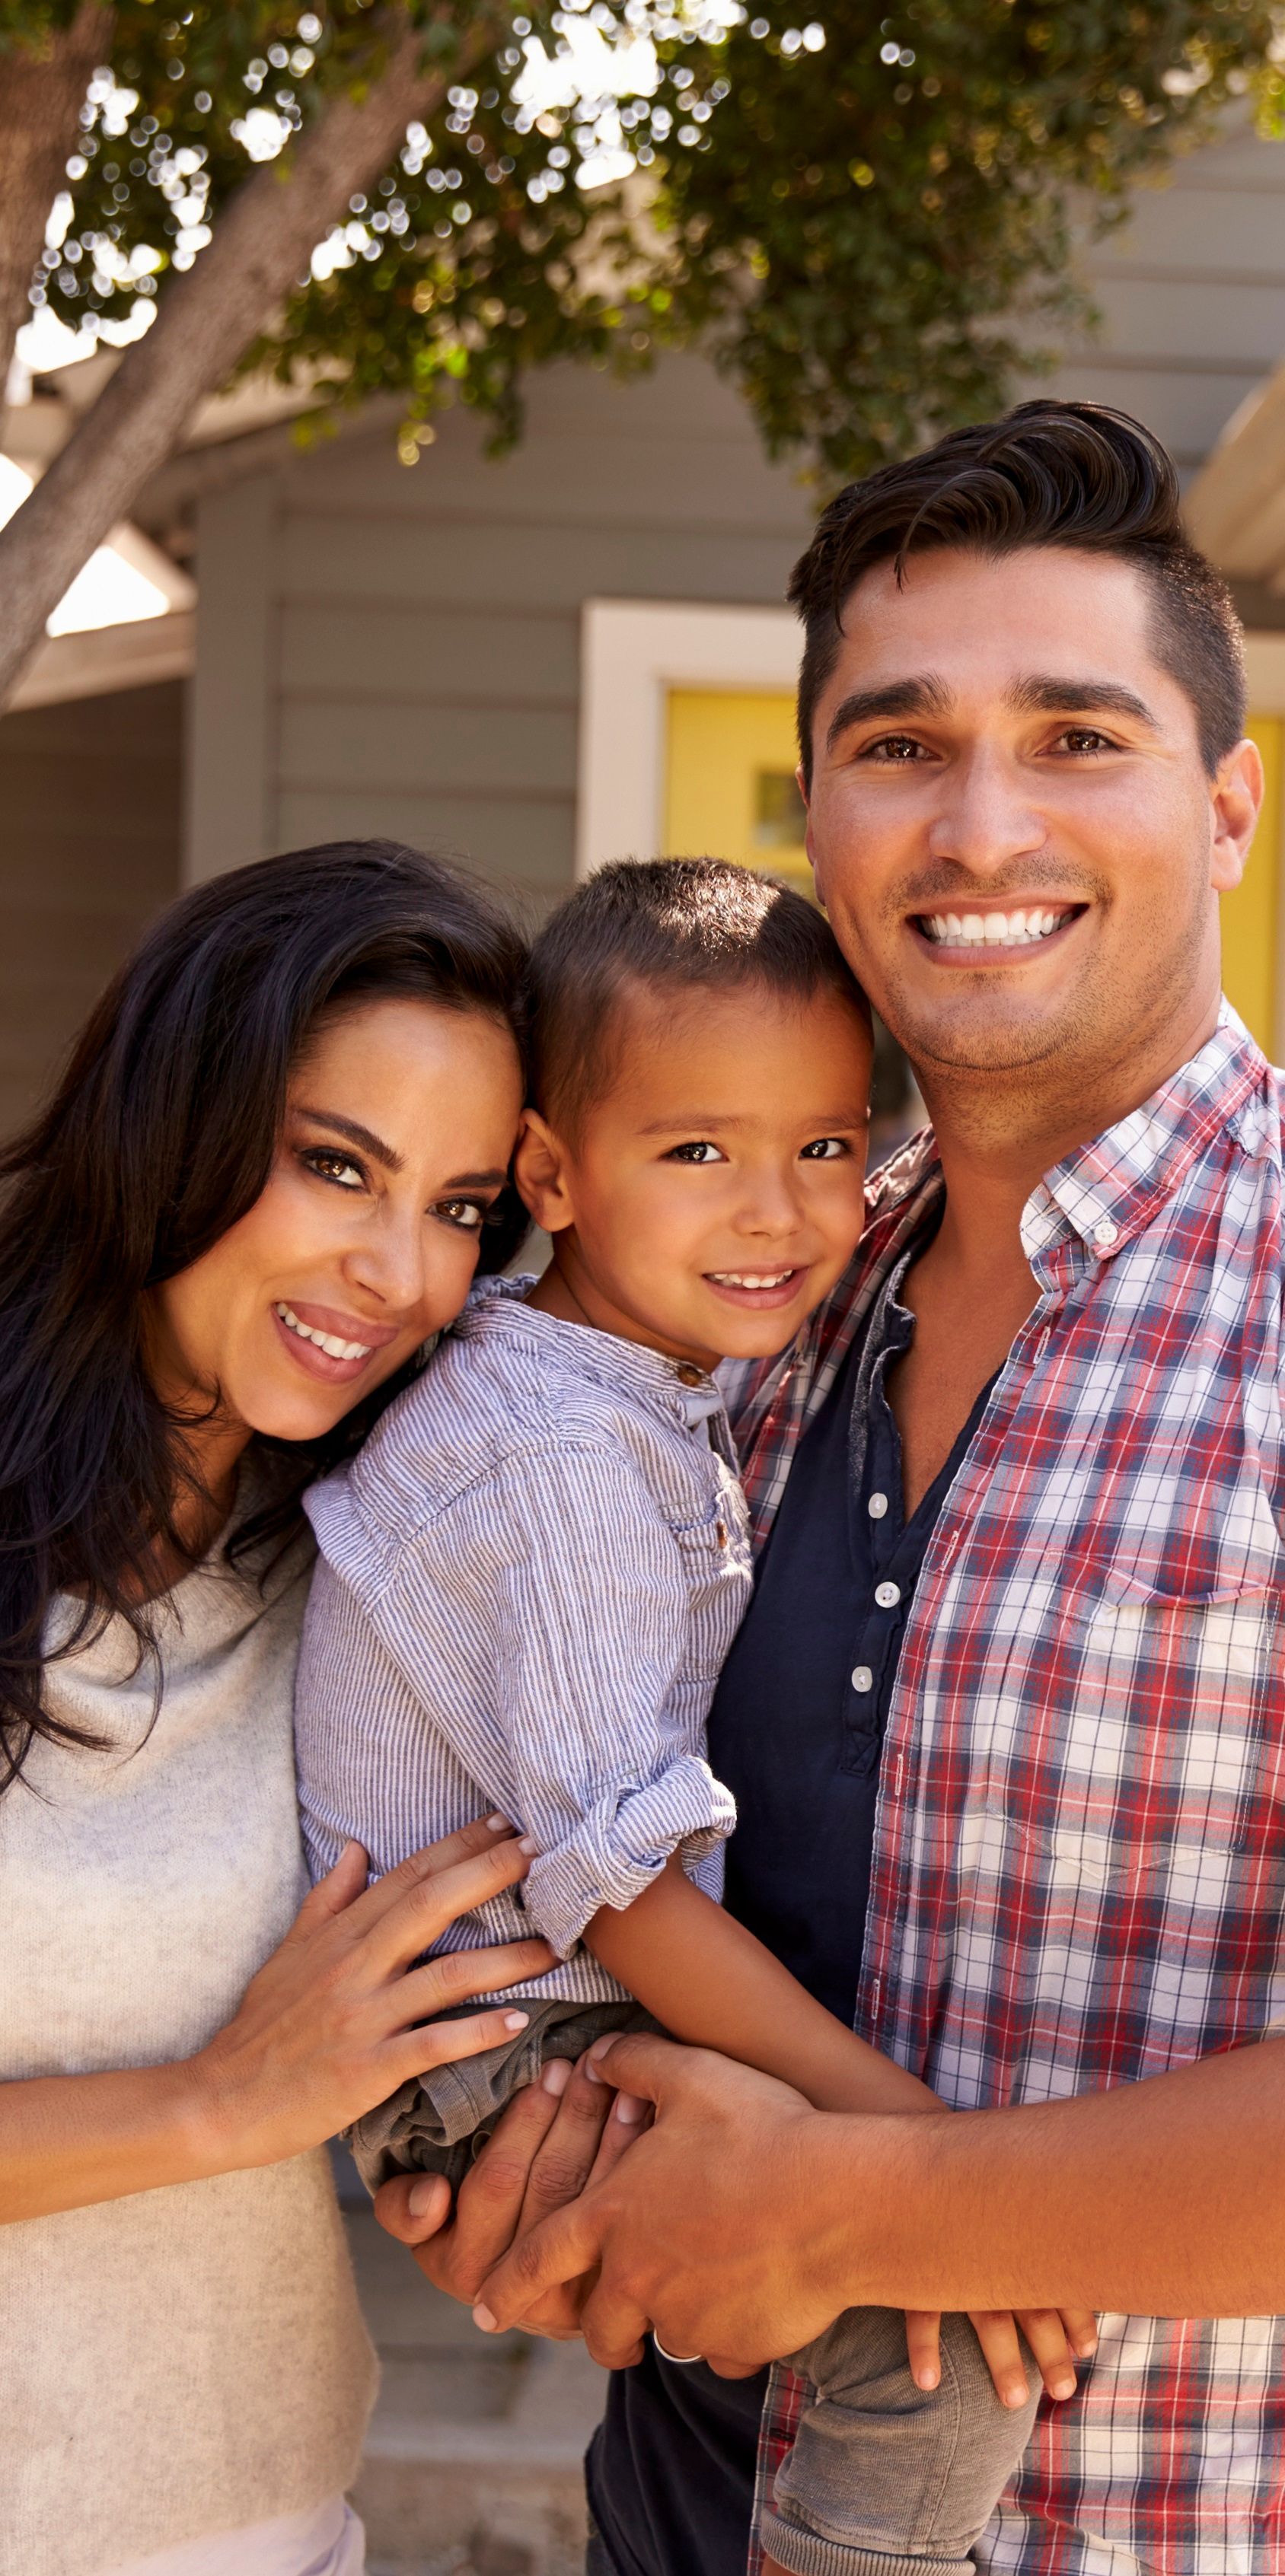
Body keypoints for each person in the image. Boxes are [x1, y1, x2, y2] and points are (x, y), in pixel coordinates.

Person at [386, 400, 1285, 2576]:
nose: (980, 824)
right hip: (672, 2515)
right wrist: (531, 2192)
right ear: (818, 812)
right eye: (901, 746)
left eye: (1078, 736)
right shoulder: (739, 1310)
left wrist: (860, 2208)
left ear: (1232, 806)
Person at [298, 858, 1096, 2576]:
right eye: (698, 1153)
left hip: (537, 2004)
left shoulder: (625, 1367)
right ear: (550, 1177)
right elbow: (625, 1887)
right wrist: (917, 2157)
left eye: (822, 1147)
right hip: (505, 2044)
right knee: (935, 2346)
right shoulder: (557, 1463)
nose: (780, 1213)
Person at [0, 840, 566, 2576]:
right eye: (338, 1165)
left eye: (463, 1206)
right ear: (179, 1110)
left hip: (266, 2522)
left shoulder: (368, 1565)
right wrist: (225, 2100)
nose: (400, 1274)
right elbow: (260, 2081)